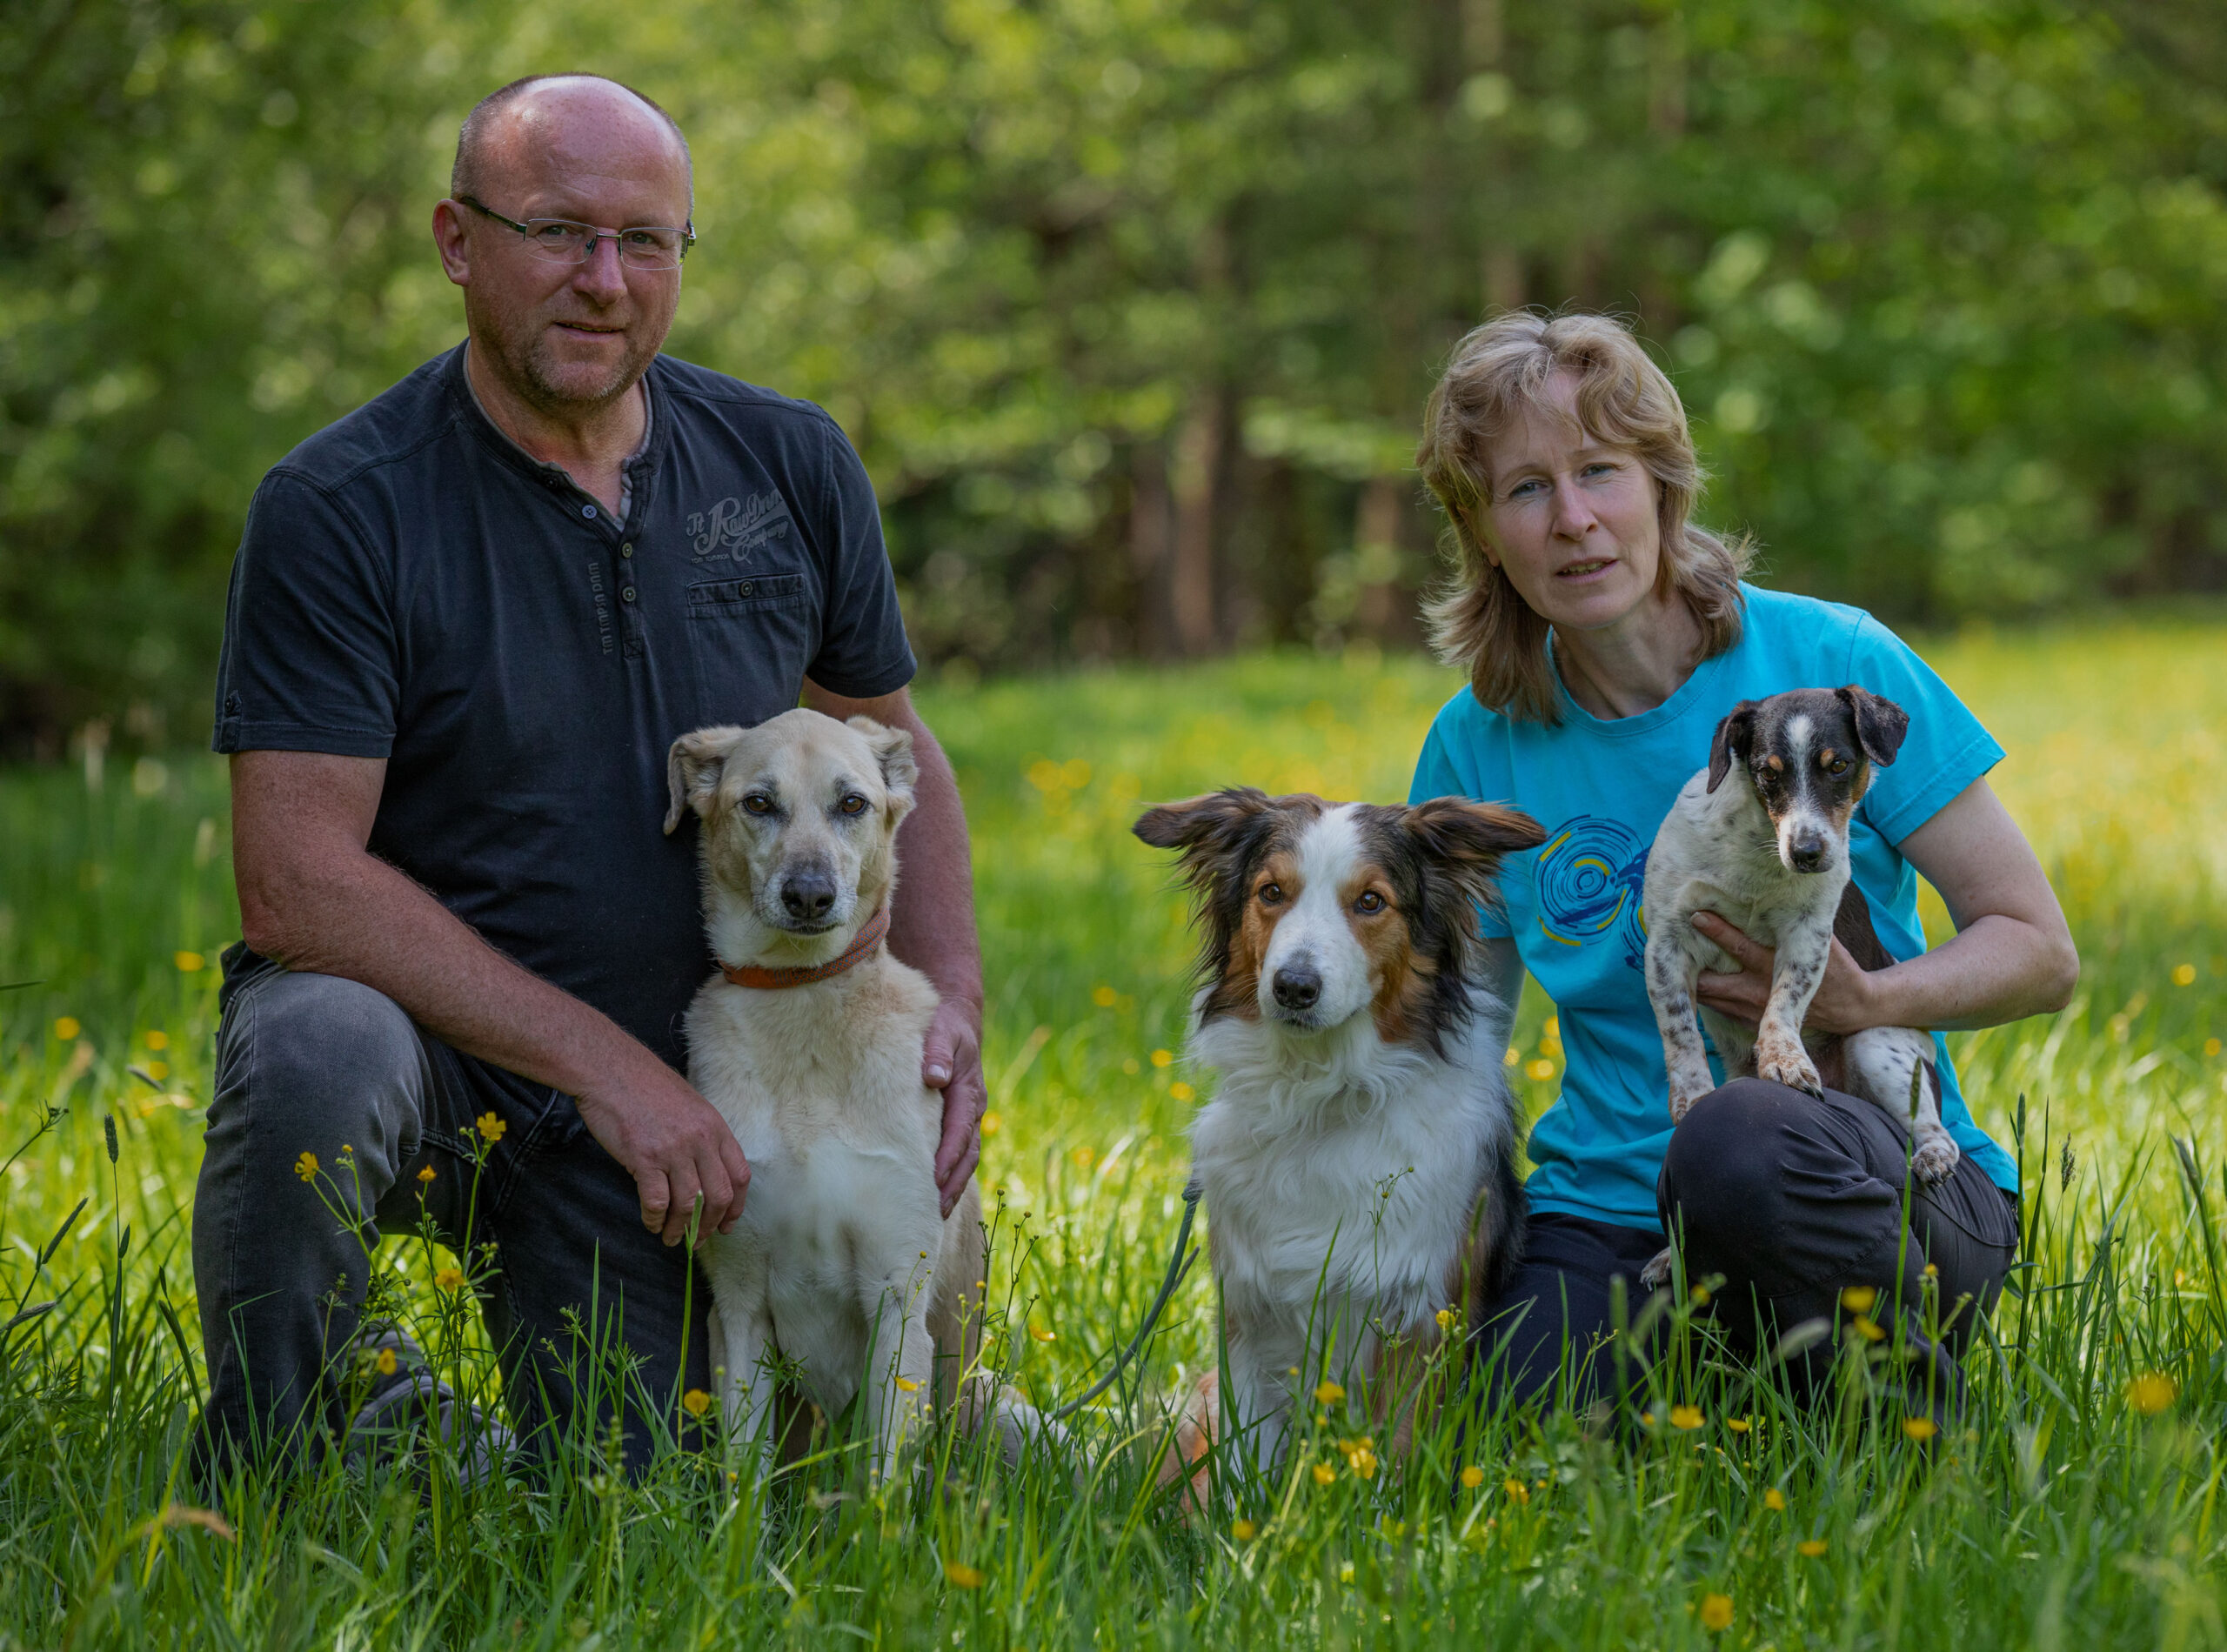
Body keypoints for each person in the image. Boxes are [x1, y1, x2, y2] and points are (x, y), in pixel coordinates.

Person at [196, 74, 988, 1476]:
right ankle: (294, 1439)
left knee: (651, 1487)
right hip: (456, 1063)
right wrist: (603, 1064)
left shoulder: (787, 461)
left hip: (693, 1113)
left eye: (649, 241)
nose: (604, 282)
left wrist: (947, 1021)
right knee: (313, 1041)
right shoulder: (340, 506)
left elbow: (893, 740)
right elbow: (292, 879)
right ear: (457, 239)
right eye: (559, 232)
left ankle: (464, 1437)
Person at [1408, 311, 2079, 1419]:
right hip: (1614, 1204)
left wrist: (1866, 1002)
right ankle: (1738, 1373)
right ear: (1481, 531)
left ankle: (1911, 1427)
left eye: (1599, 472)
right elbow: (1462, 1030)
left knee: (1735, 1133)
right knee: (1526, 1430)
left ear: (1663, 487)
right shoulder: (1476, 745)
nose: (1573, 521)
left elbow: (2038, 951)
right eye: (1525, 491)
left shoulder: (1832, 660)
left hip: (1863, 1176)